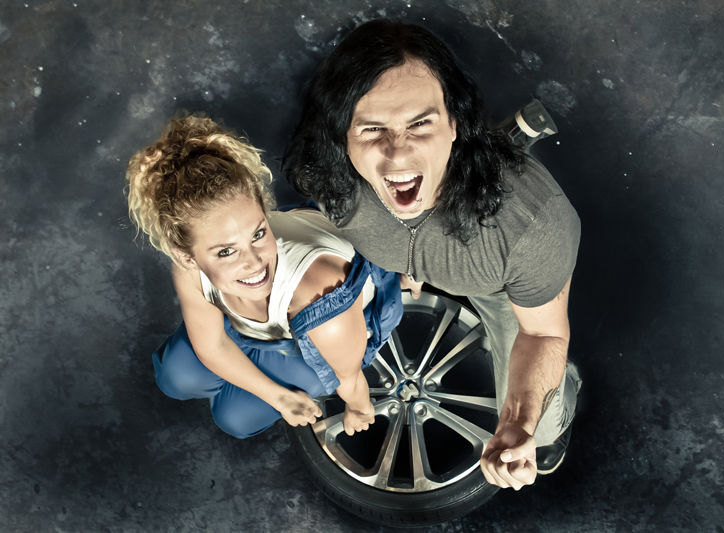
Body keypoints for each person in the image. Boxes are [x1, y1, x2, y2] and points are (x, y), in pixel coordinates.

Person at [284, 20, 582, 490]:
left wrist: (520, 424)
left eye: (420, 124)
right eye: (372, 129)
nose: (397, 155)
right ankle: (503, 138)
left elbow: (543, 333)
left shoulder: (531, 228)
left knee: (541, 428)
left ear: (454, 123)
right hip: (418, 255)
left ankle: (560, 407)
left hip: (496, 284)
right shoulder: (327, 177)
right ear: (342, 137)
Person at [125, 114, 403, 439]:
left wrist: (359, 409)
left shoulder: (324, 303)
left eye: (258, 233)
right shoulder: (190, 267)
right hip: (254, 326)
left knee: (234, 418)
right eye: (226, 251)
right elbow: (212, 345)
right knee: (175, 376)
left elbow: (351, 380)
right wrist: (278, 397)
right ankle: (254, 367)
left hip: (316, 331)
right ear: (187, 257)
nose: (255, 262)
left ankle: (258, 377)